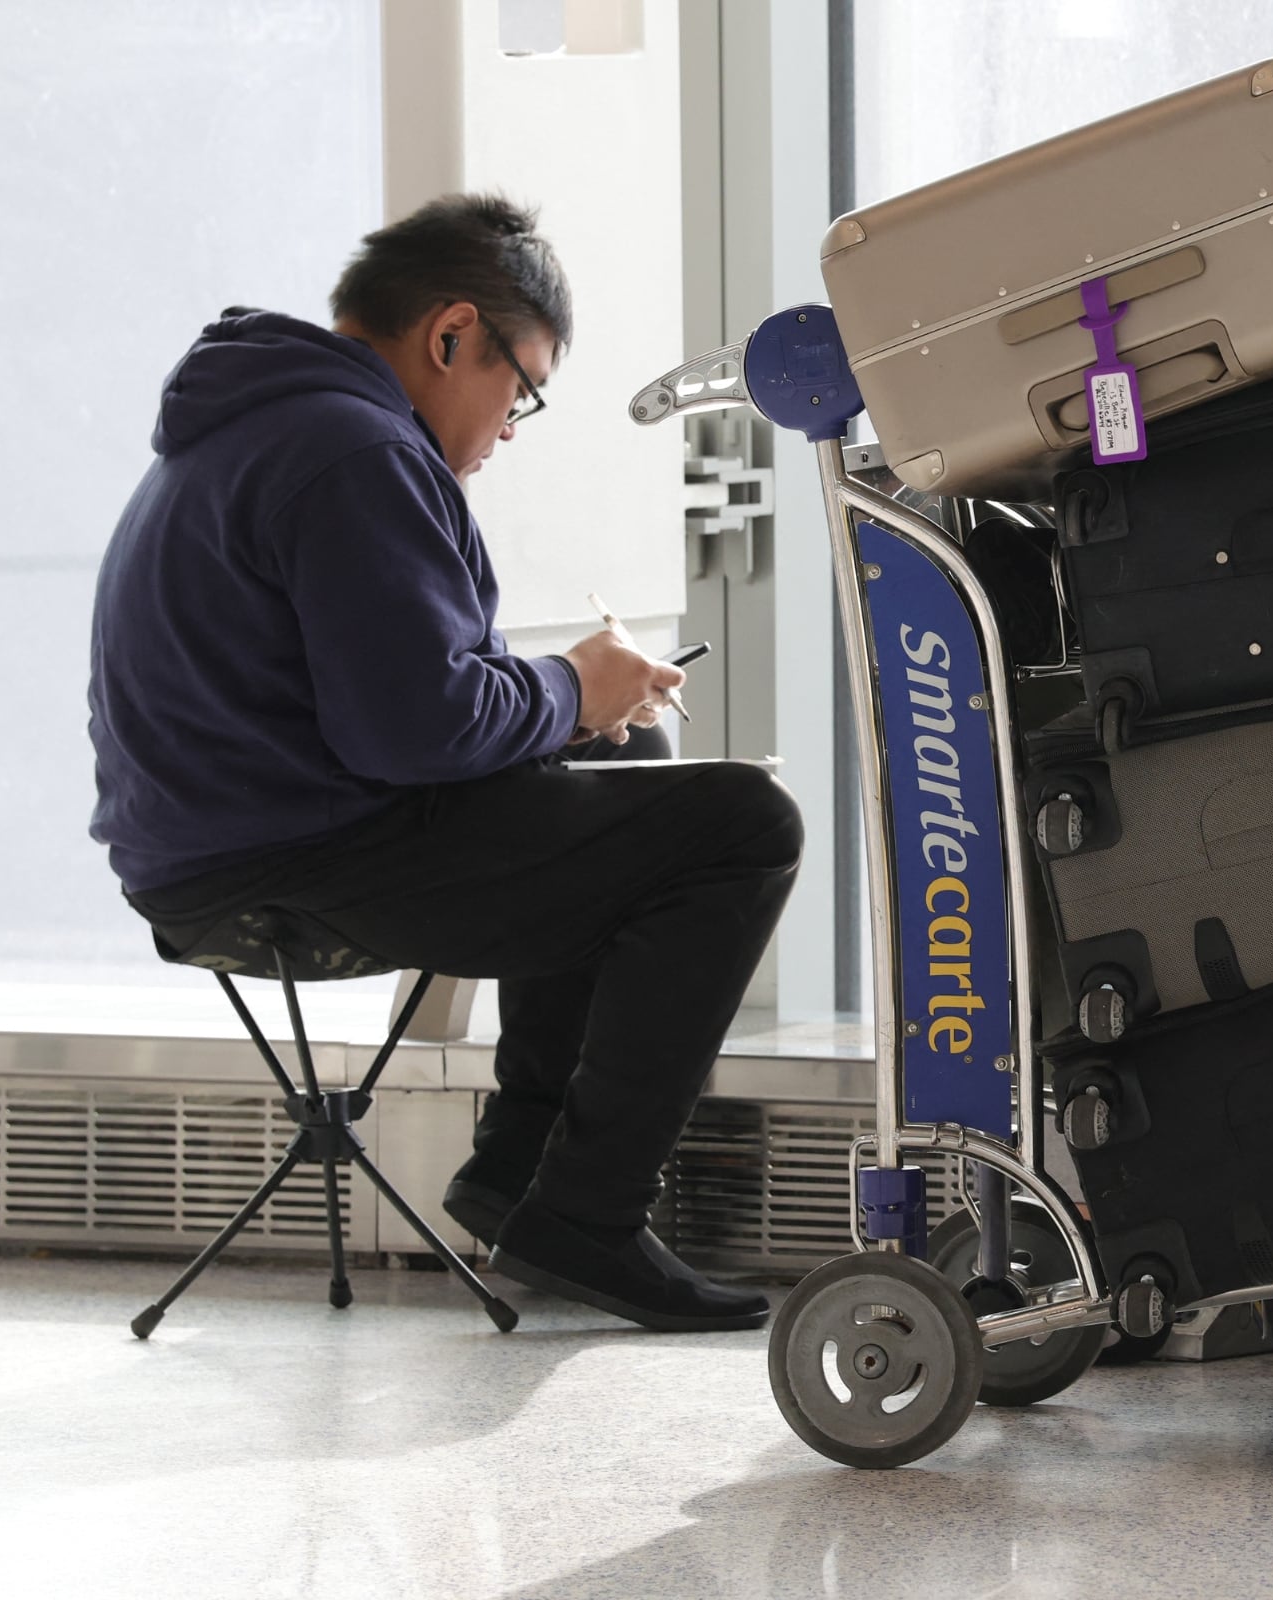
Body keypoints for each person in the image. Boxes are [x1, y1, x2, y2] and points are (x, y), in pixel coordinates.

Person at [86, 193, 802, 1332]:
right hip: (292, 854)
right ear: (454, 334)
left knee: (632, 752)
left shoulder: (263, 423)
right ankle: (587, 1208)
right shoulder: (355, 449)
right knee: (746, 823)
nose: (509, 428)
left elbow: (382, 698)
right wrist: (569, 686)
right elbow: (411, 730)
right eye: (522, 391)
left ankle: (521, 1174)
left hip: (221, 841)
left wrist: (580, 707)